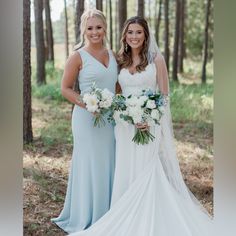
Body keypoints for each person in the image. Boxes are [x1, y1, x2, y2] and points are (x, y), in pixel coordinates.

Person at [68, 16, 212, 236]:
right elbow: (117, 91)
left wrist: (150, 117)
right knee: (125, 169)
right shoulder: (120, 60)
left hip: (148, 125)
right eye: (130, 32)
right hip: (124, 126)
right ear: (124, 36)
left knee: (146, 169)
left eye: (138, 32)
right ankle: (124, 216)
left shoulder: (157, 60)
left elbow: (164, 96)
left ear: (146, 35)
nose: (134, 37)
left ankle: (151, 218)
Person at [51, 9, 118, 234]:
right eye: (89, 28)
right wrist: (87, 103)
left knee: (109, 161)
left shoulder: (114, 55)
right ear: (83, 30)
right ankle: (87, 214)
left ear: (105, 28)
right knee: (90, 163)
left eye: (98, 27)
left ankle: (109, 213)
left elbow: (117, 86)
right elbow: (65, 88)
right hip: (86, 118)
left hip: (110, 119)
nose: (94, 32)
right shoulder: (77, 56)